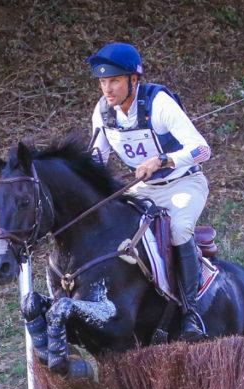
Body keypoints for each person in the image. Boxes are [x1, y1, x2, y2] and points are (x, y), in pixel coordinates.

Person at [86, 42, 212, 342]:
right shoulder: (103, 112)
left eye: (114, 80)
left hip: (185, 182)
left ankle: (191, 313)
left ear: (134, 79)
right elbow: (96, 160)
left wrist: (163, 160)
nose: (108, 89)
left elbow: (202, 149)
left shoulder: (159, 103)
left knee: (179, 229)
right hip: (146, 189)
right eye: (103, 82)